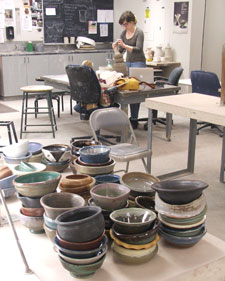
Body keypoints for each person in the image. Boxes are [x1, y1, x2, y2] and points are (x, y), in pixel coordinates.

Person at [112, 11, 146, 129]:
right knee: (127, 89)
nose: (124, 27)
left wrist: (125, 46)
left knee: (136, 91)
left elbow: (138, 49)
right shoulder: (123, 33)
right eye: (123, 25)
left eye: (126, 24)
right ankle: (128, 118)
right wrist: (116, 48)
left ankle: (135, 118)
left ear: (132, 22)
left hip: (139, 63)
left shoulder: (139, 32)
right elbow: (121, 52)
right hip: (128, 63)